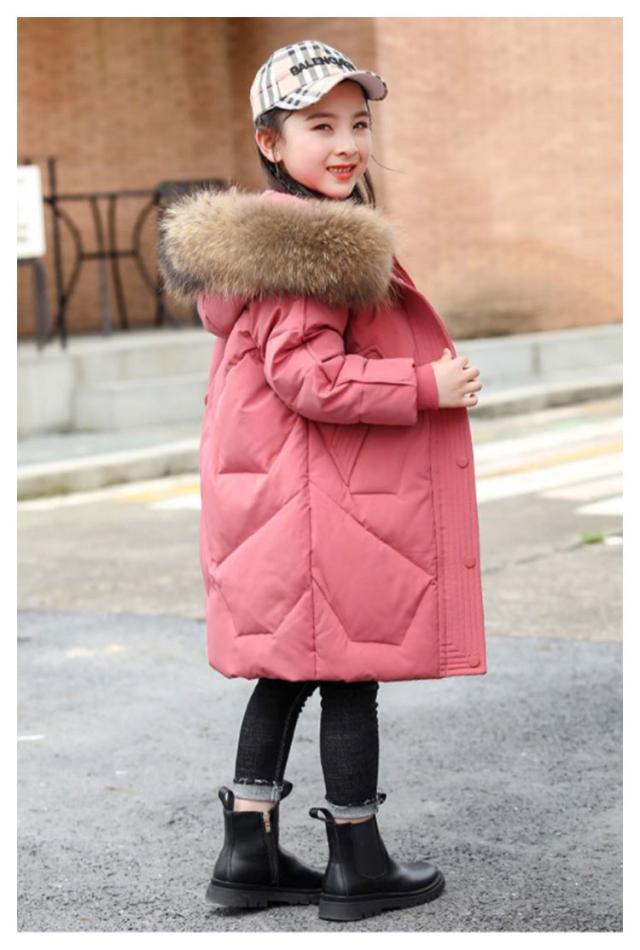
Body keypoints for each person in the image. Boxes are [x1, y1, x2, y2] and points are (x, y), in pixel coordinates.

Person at [158, 38, 486, 923]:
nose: (346, 144)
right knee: (347, 676)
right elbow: (310, 377)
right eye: (320, 126)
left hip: (285, 499)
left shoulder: (272, 246)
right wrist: (424, 384)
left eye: (358, 123)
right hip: (316, 505)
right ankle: (356, 859)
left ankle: (249, 849)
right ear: (271, 143)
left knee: (286, 673)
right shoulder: (313, 247)